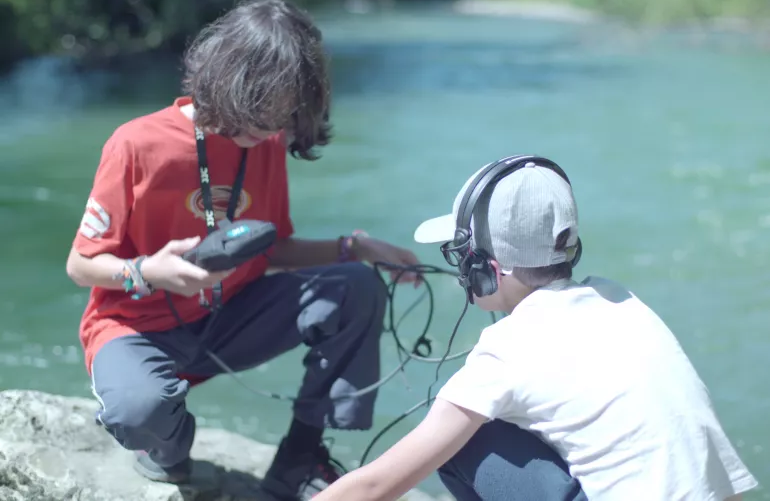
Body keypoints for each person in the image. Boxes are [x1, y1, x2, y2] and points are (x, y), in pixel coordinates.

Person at [65, 0, 421, 501]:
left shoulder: (267, 143)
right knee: (139, 412)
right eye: (268, 111)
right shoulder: (135, 144)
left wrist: (356, 247)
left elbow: (270, 250)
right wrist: (147, 271)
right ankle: (167, 448)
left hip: (230, 315)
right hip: (139, 327)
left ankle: (300, 458)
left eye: (287, 113)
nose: (277, 128)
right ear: (229, 78)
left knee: (356, 287)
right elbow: (80, 265)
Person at [312, 155, 759, 501]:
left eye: (458, 253)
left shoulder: (508, 348)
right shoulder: (623, 302)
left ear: (485, 268)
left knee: (468, 439)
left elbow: (374, 488)